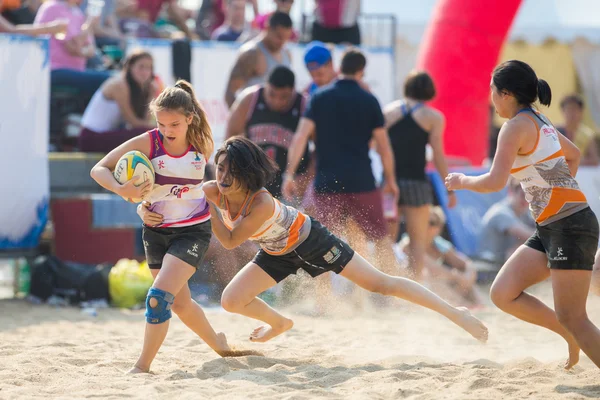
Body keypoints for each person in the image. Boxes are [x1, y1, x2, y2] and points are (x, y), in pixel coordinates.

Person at [203, 136, 489, 344]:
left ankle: (455, 313)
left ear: (247, 173)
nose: (224, 177)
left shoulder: (260, 202)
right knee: (231, 300)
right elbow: (180, 195)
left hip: (311, 240)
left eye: (232, 170)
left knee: (381, 284)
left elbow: (229, 241)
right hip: (276, 251)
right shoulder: (213, 190)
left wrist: (206, 205)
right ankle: (279, 322)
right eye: (220, 169)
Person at [90, 80, 256, 374]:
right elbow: (98, 169)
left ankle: (142, 366)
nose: (167, 130)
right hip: (155, 231)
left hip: (192, 230)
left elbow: (199, 186)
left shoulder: (202, 144)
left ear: (190, 118)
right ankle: (218, 343)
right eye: (162, 123)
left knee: (157, 299)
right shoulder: (148, 141)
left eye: (175, 124)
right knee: (180, 303)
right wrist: (123, 190)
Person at [446, 60, 600, 370]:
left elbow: (494, 182)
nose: (491, 97)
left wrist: (461, 181)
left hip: (568, 226)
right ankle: (567, 335)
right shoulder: (539, 119)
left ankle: (571, 331)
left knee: (575, 316)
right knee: (503, 293)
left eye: (492, 91)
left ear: (505, 93)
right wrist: (551, 193)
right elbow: (573, 155)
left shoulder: (514, 127)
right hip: (555, 225)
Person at [283, 48, 399, 278]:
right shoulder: (369, 99)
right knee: (379, 237)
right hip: (362, 180)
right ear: (361, 71)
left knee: (322, 242)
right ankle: (390, 294)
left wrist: (289, 173)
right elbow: (384, 147)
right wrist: (391, 180)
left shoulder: (319, 97)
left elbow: (300, 137)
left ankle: (323, 300)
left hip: (328, 181)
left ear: (339, 66)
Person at [383, 71, 457, 280]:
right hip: (416, 182)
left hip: (389, 182)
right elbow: (438, 156)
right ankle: (414, 291)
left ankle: (385, 289)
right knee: (418, 241)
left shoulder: (388, 112)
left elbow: (377, 146)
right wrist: (449, 188)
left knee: (386, 240)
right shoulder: (433, 117)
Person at [225, 65, 309, 200]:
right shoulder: (250, 99)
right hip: (254, 184)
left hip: (290, 187)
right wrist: (236, 171)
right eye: (272, 94)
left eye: (284, 97)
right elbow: (230, 139)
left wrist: (307, 178)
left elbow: (321, 149)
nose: (277, 101)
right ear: (266, 85)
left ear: (293, 91)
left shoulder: (304, 104)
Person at [398, 206, 482, 307]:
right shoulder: (408, 243)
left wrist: (468, 277)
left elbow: (466, 263)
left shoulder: (439, 245)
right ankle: (464, 306)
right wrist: (458, 277)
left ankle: (478, 306)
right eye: (424, 221)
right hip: (412, 283)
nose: (427, 226)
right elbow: (432, 267)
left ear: (439, 228)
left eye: (432, 223)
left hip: (434, 283)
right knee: (434, 280)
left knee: (470, 286)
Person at [79, 50, 157, 152]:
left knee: (148, 134)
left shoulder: (146, 88)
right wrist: (159, 130)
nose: (145, 72)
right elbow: (133, 122)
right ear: (130, 67)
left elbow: (145, 120)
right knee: (148, 135)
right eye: (141, 67)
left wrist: (150, 94)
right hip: (91, 137)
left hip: (108, 134)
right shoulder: (119, 85)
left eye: (148, 68)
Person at [224, 11, 292, 108]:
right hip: (254, 119)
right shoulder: (251, 54)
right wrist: (240, 120)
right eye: (279, 36)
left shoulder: (287, 53)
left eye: (286, 38)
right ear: (268, 28)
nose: (282, 42)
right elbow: (230, 94)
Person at [477, 178, 534, 267]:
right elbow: (530, 235)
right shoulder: (501, 212)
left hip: (502, 262)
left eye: (530, 197)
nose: (526, 200)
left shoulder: (525, 212)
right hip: (489, 263)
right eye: (523, 195)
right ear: (511, 192)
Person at [557, 94, 600, 166]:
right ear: (563, 111)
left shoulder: (587, 134)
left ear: (581, 112)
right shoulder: (555, 132)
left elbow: (594, 160)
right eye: (569, 109)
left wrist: (573, 161)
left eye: (575, 109)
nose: (572, 113)